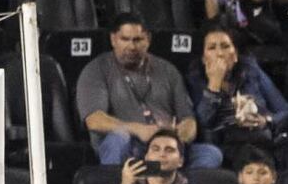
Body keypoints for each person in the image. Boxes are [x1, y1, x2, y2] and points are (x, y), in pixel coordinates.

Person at [77, 12, 221, 169]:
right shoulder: (96, 69)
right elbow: (94, 120)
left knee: (211, 153)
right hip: (129, 146)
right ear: (113, 39)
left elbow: (188, 119)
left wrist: (179, 136)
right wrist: (138, 129)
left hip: (164, 147)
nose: (131, 46)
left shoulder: (168, 70)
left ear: (148, 40)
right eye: (125, 39)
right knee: (118, 140)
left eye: (138, 40)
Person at [186, 23, 288, 168]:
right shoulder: (195, 79)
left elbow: (286, 111)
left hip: (263, 140)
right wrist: (214, 85)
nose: (219, 53)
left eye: (225, 46)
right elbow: (202, 123)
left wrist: (266, 121)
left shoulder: (251, 70)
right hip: (227, 146)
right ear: (203, 59)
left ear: (235, 54)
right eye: (212, 48)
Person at [113, 128, 202, 184]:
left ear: (181, 161)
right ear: (146, 157)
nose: (162, 154)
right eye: (156, 149)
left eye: (169, 150)